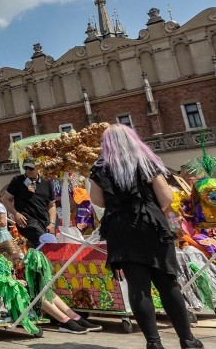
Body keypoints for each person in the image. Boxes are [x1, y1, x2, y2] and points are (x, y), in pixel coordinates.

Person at [89, 124, 203, 349]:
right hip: (151, 226)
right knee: (167, 283)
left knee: (137, 286)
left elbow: (98, 201)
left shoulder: (100, 168)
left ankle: (153, 343)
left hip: (121, 229)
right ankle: (188, 340)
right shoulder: (145, 162)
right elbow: (166, 197)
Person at [0, 240, 100, 334]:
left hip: (14, 296)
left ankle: (75, 317)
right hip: (7, 301)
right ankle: (65, 321)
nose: (16, 261)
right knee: (38, 296)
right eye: (14, 258)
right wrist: (16, 282)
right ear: (5, 255)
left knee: (48, 292)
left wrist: (17, 281)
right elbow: (0, 283)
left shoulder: (8, 265)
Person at [2, 158, 56, 248]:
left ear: (38, 167)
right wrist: (16, 214)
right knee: (44, 243)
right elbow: (5, 199)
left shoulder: (47, 181)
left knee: (43, 247)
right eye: (26, 168)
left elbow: (52, 205)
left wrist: (52, 223)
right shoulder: (17, 180)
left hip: (44, 222)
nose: (28, 171)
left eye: (31, 168)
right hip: (26, 221)